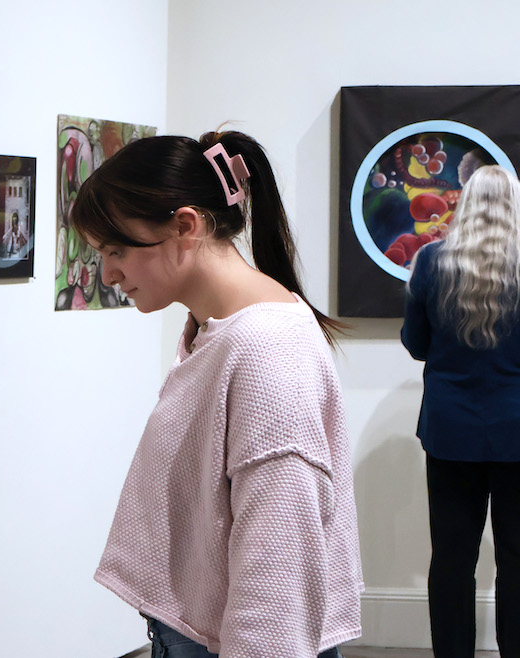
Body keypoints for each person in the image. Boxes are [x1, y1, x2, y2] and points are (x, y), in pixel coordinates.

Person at [70, 131, 363, 657]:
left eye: (117, 249)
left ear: (185, 225)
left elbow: (280, 578)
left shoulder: (266, 351)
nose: (108, 273)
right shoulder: (220, 331)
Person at [401, 164, 520, 657]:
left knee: (452, 558)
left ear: (465, 202)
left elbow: (416, 343)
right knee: (518, 559)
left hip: (451, 430)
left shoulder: (431, 262)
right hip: (517, 430)